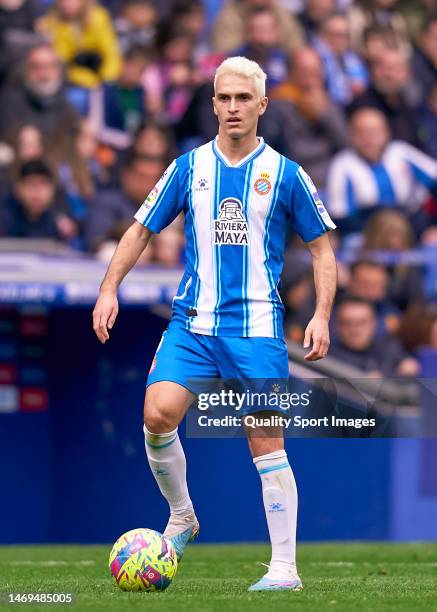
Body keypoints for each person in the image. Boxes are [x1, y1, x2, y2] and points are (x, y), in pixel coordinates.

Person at [92, 56, 337, 592]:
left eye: (243, 98)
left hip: (256, 329)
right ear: (213, 105)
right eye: (224, 98)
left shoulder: (287, 174)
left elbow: (322, 249)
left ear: (262, 105)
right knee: (157, 414)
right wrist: (109, 287)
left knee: (265, 440)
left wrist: (320, 315)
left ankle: (284, 569)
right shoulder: (187, 168)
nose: (232, 107)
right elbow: (138, 230)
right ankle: (183, 516)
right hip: (193, 324)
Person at [325, 107, 437, 232]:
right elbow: (339, 215)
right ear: (351, 136)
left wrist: (432, 226)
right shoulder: (342, 163)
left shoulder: (401, 152)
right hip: (365, 231)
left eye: (374, 132)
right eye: (361, 132)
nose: (368, 139)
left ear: (386, 133)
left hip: (410, 224)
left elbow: (434, 179)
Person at [260, 46, 349, 191]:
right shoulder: (278, 105)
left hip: (334, 179)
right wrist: (325, 146)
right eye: (305, 72)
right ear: (291, 74)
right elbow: (291, 151)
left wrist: (324, 115)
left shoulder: (327, 101)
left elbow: (345, 143)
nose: (311, 79)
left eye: (316, 72)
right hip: (298, 182)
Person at [330, 296, 420, 377]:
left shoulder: (388, 348)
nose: (354, 330)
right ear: (337, 326)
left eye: (361, 323)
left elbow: (410, 366)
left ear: (374, 323)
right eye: (347, 323)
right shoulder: (329, 357)